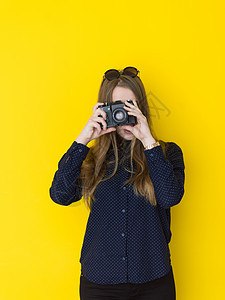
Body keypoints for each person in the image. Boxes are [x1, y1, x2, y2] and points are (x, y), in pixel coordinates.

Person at [49, 67, 185, 300]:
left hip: (153, 278)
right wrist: (83, 139)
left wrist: (148, 142)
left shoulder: (166, 153)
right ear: (104, 110)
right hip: (100, 281)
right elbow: (60, 195)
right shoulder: (91, 158)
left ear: (142, 107)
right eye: (117, 107)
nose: (124, 114)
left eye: (131, 105)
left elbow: (170, 198)